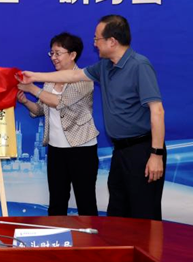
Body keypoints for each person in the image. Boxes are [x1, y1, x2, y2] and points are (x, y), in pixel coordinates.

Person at [19, 15, 165, 220]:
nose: (94, 43)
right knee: (118, 211)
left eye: (97, 39)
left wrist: (156, 154)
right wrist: (35, 77)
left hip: (141, 149)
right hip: (120, 150)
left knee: (143, 211)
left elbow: (157, 111)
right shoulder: (105, 66)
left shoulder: (139, 65)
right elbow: (71, 76)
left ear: (112, 41)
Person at [17, 32, 99, 216]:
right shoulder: (50, 79)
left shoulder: (85, 78)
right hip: (56, 149)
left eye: (58, 53)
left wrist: (32, 88)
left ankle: (91, 235)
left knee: (85, 202)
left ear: (72, 55)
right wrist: (25, 101)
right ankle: (56, 234)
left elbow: (59, 102)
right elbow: (41, 109)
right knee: (56, 202)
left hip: (81, 148)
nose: (53, 57)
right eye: (51, 53)